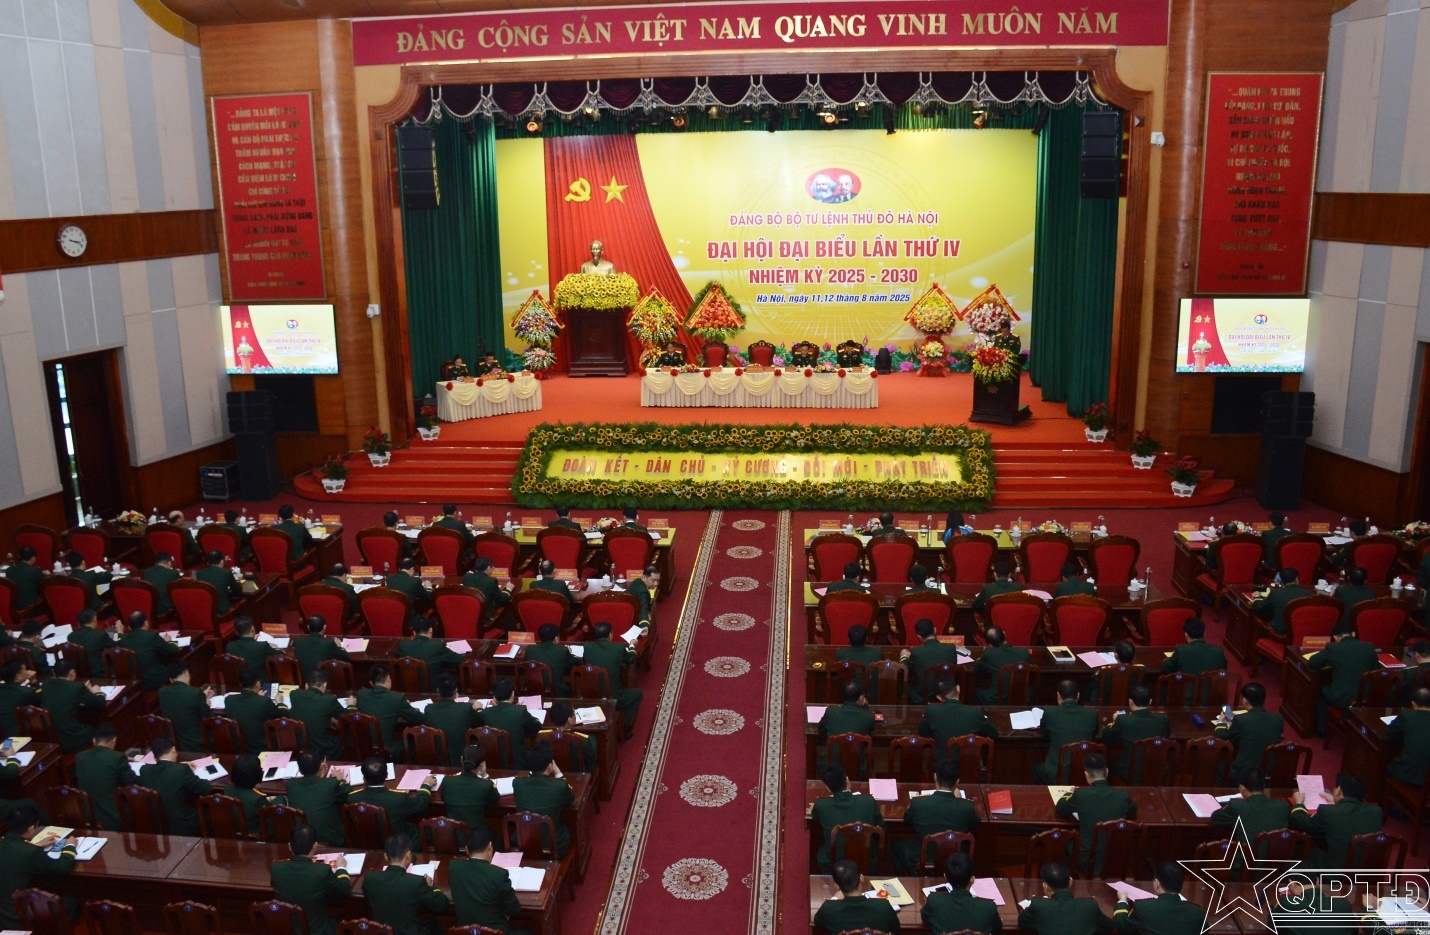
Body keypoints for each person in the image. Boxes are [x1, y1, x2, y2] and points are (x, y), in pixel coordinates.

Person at [892, 758, 981, 874]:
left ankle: (909, 878)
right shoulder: (967, 806)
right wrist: (960, 799)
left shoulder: (918, 803)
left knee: (895, 844)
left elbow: (907, 819)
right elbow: (975, 823)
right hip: (954, 859)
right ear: (957, 781)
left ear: (935, 776)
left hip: (921, 857)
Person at [1055, 753, 1137, 874]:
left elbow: (1061, 808)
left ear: (1086, 774)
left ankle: (1069, 879)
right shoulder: (1123, 795)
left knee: (1066, 840)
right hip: (1116, 858)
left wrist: (1069, 793)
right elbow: (1132, 812)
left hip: (1087, 860)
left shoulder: (1080, 795)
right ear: (1107, 772)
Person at [0, 805, 79, 928]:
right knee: (71, 901)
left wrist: (34, 845)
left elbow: (13, 851)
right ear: (31, 828)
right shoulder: (30, 852)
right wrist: (70, 846)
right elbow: (61, 868)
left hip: (2, 915)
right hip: (17, 918)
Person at [270, 823, 353, 935]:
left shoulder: (276, 868)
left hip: (290, 930)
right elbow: (344, 889)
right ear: (315, 846)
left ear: (289, 846)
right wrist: (341, 868)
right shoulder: (322, 871)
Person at [362, 833, 451, 935]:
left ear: (385, 856)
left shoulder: (370, 877)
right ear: (408, 855)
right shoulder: (416, 882)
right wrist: (429, 887)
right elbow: (441, 905)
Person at [1290, 773, 1381, 867]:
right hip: (1367, 870)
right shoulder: (1376, 811)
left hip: (1335, 872)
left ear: (1338, 790)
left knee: (1303, 848)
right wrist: (1337, 802)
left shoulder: (1328, 812)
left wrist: (1299, 803)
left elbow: (1302, 822)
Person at [451, 826, 527, 934]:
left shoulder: (454, 867)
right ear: (490, 847)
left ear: (466, 849)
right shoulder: (499, 874)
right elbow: (513, 910)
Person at [1307, 621, 1379, 736]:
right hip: (1365, 698)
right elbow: (1376, 671)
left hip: (1342, 698)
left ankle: (1321, 732)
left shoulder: (1333, 648)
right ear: (1353, 634)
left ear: (1335, 637)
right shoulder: (1369, 647)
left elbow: (1313, 663)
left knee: (1321, 692)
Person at [810, 763, 885, 872]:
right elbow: (883, 829)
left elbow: (815, 819)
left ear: (827, 788)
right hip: (867, 861)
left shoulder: (821, 805)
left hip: (834, 862)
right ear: (847, 780)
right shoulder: (869, 801)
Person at [139, 736, 213, 835]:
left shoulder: (144, 770)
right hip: (181, 824)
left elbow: (164, 771)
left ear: (154, 756)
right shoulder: (181, 771)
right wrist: (184, 770)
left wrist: (179, 766)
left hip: (156, 824)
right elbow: (205, 789)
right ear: (173, 750)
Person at [351, 755, 436, 839]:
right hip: (398, 842)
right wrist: (426, 785)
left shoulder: (352, 798)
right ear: (387, 774)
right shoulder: (398, 798)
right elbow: (420, 805)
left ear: (364, 778)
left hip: (368, 840)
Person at [512, 746, 575, 857]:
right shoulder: (560, 785)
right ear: (550, 766)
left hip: (523, 841)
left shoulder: (517, 783)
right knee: (567, 827)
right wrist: (558, 773)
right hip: (553, 844)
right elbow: (569, 799)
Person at [583, 622, 643, 736]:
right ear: (610, 635)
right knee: (637, 694)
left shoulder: (587, 647)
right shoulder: (618, 648)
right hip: (614, 697)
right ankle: (625, 728)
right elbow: (631, 658)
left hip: (592, 695)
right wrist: (632, 646)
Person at [1214, 682, 1284, 781]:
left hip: (1244, 774)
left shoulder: (1241, 720)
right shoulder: (1278, 718)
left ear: (1245, 701)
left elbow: (1222, 736)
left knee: (1218, 766)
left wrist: (1221, 722)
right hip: (1268, 771)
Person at [1017, 862, 1111, 935]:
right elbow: (1108, 927)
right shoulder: (1090, 905)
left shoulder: (1039, 905)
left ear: (1045, 886)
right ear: (1070, 882)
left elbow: (1023, 923)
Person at [812, 859, 902, 935]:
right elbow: (896, 930)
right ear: (861, 878)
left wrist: (835, 898)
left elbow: (818, 924)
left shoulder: (829, 908)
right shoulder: (883, 906)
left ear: (837, 886)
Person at [1112, 863, 1206, 935]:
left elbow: (1123, 926)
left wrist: (1122, 901)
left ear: (1157, 883)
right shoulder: (1197, 912)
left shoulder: (1143, 908)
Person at [1100, 685, 1171, 781]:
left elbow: (1106, 737)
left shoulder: (1123, 720)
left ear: (1130, 702)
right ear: (1150, 701)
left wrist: (1114, 721)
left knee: (1110, 763)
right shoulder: (1163, 719)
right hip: (1157, 771)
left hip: (1130, 772)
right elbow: (1167, 736)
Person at [1034, 680, 1099, 783]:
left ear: (1058, 696)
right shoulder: (1092, 714)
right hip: (1084, 773)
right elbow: (1094, 733)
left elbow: (1045, 736)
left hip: (1055, 774)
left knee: (1037, 769)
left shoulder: (1049, 712)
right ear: (1078, 695)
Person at [358, 663, 428, 759]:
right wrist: (408, 705)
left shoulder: (361, 694)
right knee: (415, 738)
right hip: (387, 751)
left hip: (364, 749)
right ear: (388, 679)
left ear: (371, 683)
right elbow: (420, 719)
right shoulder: (396, 698)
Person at [37, 659, 106, 752]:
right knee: (95, 727)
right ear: (72, 672)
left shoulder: (46, 685)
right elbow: (100, 703)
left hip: (51, 738)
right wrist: (98, 692)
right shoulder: (76, 687)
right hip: (70, 739)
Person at [1210, 767, 1292, 845]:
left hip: (1246, 855)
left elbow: (1215, 818)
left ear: (1242, 788)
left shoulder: (1237, 805)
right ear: (1263, 786)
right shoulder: (1283, 806)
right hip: (1276, 855)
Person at [923, 853, 1002, 933]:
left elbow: (926, 920)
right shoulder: (989, 907)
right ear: (972, 879)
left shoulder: (934, 900)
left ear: (945, 876)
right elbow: (997, 929)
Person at [285, 751, 350, 845]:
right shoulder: (331, 783)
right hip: (330, 840)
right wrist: (341, 779)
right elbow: (348, 792)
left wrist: (320, 778)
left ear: (300, 770)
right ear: (320, 767)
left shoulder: (291, 785)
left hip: (301, 839)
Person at [74, 723, 129, 830]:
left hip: (88, 817)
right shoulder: (118, 758)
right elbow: (131, 782)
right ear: (114, 740)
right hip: (112, 818)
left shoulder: (79, 757)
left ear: (94, 740)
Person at [919, 679, 997, 753]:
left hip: (941, 762)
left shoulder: (931, 711)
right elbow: (993, 734)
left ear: (939, 697)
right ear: (958, 689)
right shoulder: (975, 712)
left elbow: (923, 734)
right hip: (969, 761)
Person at [818, 680, 876, 777]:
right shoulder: (869, 717)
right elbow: (868, 733)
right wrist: (866, 707)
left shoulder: (830, 712)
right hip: (857, 769)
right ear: (861, 698)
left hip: (830, 769)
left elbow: (821, 730)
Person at [482, 679, 545, 768]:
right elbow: (537, 726)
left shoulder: (485, 713)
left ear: (494, 696)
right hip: (518, 764)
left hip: (493, 763)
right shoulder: (520, 711)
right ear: (512, 694)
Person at [423, 674, 484, 766]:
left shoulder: (429, 709)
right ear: (456, 691)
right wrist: (479, 709)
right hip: (462, 759)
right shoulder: (466, 708)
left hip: (438, 760)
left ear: (438, 691)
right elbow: (480, 723)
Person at [288, 667, 346, 760]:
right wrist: (351, 706)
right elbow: (346, 717)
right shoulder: (329, 700)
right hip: (323, 749)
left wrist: (328, 719)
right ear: (324, 685)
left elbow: (309, 710)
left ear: (306, 686)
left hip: (301, 747)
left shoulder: (294, 695)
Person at [227, 667, 286, 755]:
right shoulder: (264, 702)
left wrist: (257, 698)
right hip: (262, 748)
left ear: (240, 683)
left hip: (239, 748)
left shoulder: (228, 700)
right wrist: (280, 703)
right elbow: (282, 716)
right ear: (258, 684)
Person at [119, 610, 182, 690]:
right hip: (154, 681)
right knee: (180, 664)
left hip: (136, 683)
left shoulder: (123, 641)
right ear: (146, 623)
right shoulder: (152, 637)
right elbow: (173, 650)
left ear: (130, 627)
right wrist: (169, 641)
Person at [442, 745, 500, 829]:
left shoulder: (447, 781)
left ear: (461, 760)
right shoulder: (486, 785)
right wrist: (485, 775)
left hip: (452, 833)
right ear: (482, 765)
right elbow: (495, 799)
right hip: (476, 833)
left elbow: (443, 797)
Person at [158, 661, 212, 752]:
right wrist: (206, 704)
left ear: (171, 680)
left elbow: (180, 700)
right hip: (197, 743)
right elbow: (208, 717)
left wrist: (201, 696)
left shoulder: (162, 692)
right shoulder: (195, 694)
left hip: (175, 743)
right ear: (186, 673)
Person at [902, 618, 959, 704]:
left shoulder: (917, 652)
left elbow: (905, 668)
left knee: (903, 688)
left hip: (923, 699)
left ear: (919, 636)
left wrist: (904, 656)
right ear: (935, 630)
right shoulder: (951, 648)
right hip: (947, 696)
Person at [225, 753, 284, 835]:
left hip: (234, 830)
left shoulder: (228, 789)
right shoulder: (257, 798)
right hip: (256, 833)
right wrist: (279, 799)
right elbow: (271, 814)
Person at [1159, 618, 1227, 688]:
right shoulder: (1218, 651)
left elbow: (1166, 666)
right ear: (1204, 633)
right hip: (1210, 693)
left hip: (1186, 693)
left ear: (1186, 634)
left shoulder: (1181, 650)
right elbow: (1223, 670)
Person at [975, 626, 1032, 705]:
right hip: (1022, 699)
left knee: (977, 691)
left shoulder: (989, 654)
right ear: (1004, 634)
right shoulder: (1024, 653)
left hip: (996, 700)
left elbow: (977, 669)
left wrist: (980, 659)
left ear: (990, 645)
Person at [1386, 687, 1430, 786]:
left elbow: (1390, 733)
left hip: (1410, 774)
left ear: (1413, 704)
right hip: (1426, 780)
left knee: (1386, 765)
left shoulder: (1407, 715)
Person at [541, 701, 599, 772]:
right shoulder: (582, 739)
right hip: (578, 775)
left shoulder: (544, 737)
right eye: (574, 714)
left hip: (553, 773)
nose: (575, 716)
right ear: (569, 720)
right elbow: (591, 760)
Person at [1252, 566, 1313, 634]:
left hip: (1278, 632)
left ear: (1281, 581)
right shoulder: (1308, 594)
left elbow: (1259, 606)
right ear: (1296, 579)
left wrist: (1257, 597)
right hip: (1300, 631)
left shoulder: (1276, 593)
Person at [396, 617, 464, 674]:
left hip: (409, 686)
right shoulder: (438, 646)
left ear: (414, 633)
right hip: (433, 686)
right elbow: (459, 660)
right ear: (431, 630)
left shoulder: (403, 645)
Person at [65, 609, 121, 676]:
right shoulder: (99, 634)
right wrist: (119, 633)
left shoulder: (71, 637)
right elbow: (117, 648)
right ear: (94, 619)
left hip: (80, 675)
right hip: (99, 674)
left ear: (79, 623)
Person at [1084, 640, 1140, 704]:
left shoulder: (1105, 671)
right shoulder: (1139, 671)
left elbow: (1092, 685)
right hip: (1129, 703)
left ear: (1116, 655)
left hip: (1106, 704)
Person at [526, 623, 576, 694]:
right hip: (558, 692)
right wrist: (570, 653)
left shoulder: (529, 650)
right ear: (556, 638)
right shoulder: (562, 650)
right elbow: (576, 663)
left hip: (534, 692)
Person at [462, 556, 511, 621]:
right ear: (488, 568)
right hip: (484, 619)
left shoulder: (467, 577)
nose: (493, 568)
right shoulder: (491, 581)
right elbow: (501, 600)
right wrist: (508, 589)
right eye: (492, 567)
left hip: (468, 616)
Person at [0, 660, 37, 736]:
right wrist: (34, 681)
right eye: (25, 670)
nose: (27, 672)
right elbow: (40, 705)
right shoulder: (26, 692)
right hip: (17, 735)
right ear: (18, 676)